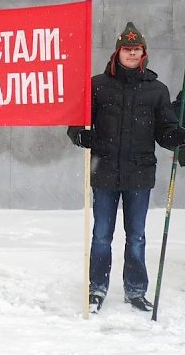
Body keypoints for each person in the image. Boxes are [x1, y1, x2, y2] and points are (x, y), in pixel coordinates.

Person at [67, 22, 185, 313]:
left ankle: (135, 291)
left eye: (137, 49)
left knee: (137, 237)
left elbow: (165, 132)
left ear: (144, 53)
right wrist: (79, 135)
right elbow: (76, 123)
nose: (132, 54)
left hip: (140, 174)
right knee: (101, 235)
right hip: (104, 172)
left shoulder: (157, 90)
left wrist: (178, 136)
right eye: (127, 49)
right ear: (117, 52)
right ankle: (96, 289)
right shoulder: (98, 85)